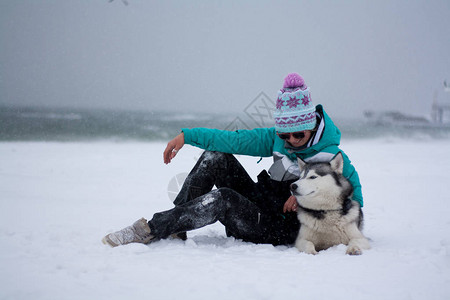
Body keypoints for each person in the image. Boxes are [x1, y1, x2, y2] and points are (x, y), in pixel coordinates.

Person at [102, 73, 363, 247]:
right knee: (215, 156)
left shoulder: (334, 159)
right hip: (261, 201)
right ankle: (175, 225)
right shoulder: (276, 139)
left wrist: (308, 197)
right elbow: (232, 140)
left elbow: (354, 208)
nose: (292, 140)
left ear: (312, 126)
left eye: (299, 134)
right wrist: (187, 136)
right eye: (285, 134)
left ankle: (149, 229)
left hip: (278, 228)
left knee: (223, 198)